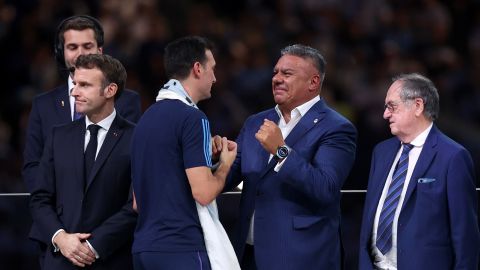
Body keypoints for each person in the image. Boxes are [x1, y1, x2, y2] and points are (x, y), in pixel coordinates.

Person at [220, 44, 357, 269]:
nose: (277, 78)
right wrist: (218, 158)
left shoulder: (336, 128)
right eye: (275, 72)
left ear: (313, 82)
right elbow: (228, 177)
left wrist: (281, 152)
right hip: (248, 254)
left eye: (287, 74)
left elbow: (325, 188)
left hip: (301, 257)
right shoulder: (255, 122)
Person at [131, 36, 237, 270]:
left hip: (144, 250)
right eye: (212, 69)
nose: (215, 78)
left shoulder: (145, 119)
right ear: (197, 69)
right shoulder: (193, 118)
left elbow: (138, 203)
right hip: (181, 249)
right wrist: (225, 164)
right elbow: (204, 193)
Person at [358, 73, 480, 270]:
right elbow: (368, 225)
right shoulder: (381, 152)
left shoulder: (453, 157)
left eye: (392, 106)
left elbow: (465, 235)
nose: (385, 114)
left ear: (417, 106)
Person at [29, 54, 137, 269]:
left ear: (110, 90)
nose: (74, 91)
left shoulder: (137, 137)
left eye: (84, 85)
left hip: (112, 259)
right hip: (60, 259)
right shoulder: (58, 135)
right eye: (75, 84)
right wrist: (60, 238)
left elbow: (135, 206)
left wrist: (94, 246)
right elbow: (40, 197)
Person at [23, 15, 141, 193]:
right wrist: (55, 214)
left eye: (87, 46)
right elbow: (33, 167)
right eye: (72, 47)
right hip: (56, 214)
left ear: (100, 51)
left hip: (108, 214)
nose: (80, 53)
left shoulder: (126, 100)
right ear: (61, 52)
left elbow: (130, 164)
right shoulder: (43, 105)